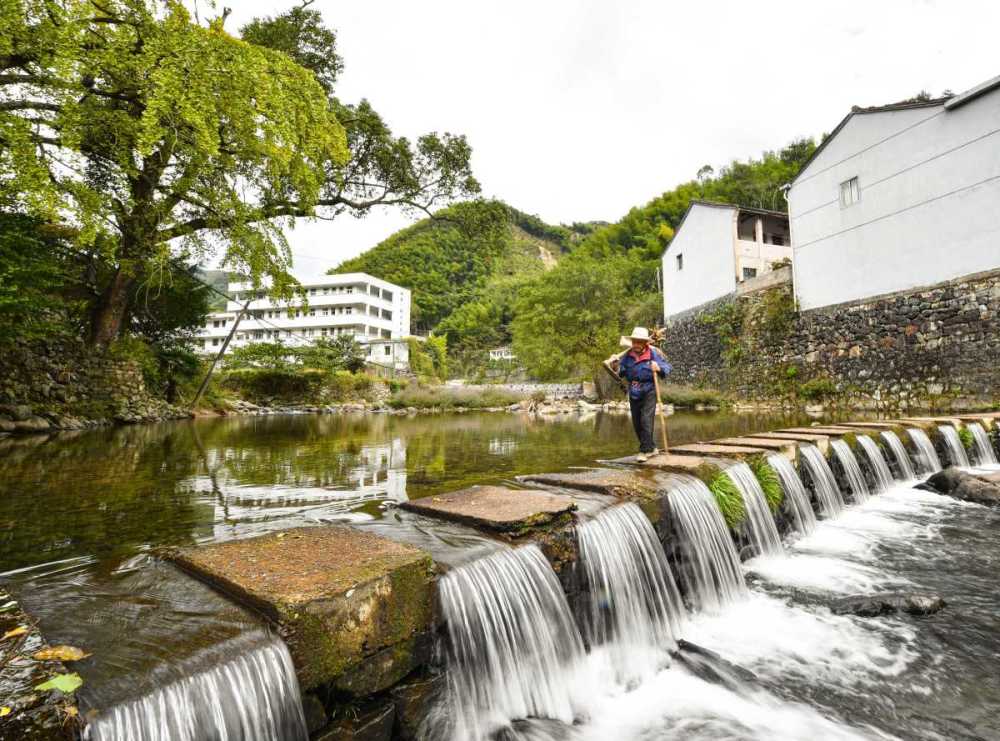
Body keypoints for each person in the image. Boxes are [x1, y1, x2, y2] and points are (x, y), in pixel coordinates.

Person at [615, 326, 672, 462]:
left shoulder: (653, 354)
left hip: (649, 390)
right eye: (635, 342)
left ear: (645, 343)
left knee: (646, 420)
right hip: (634, 391)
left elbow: (667, 367)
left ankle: (644, 451)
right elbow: (621, 372)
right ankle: (651, 448)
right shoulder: (627, 356)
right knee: (636, 423)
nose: (636, 345)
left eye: (639, 342)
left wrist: (658, 367)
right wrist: (615, 365)